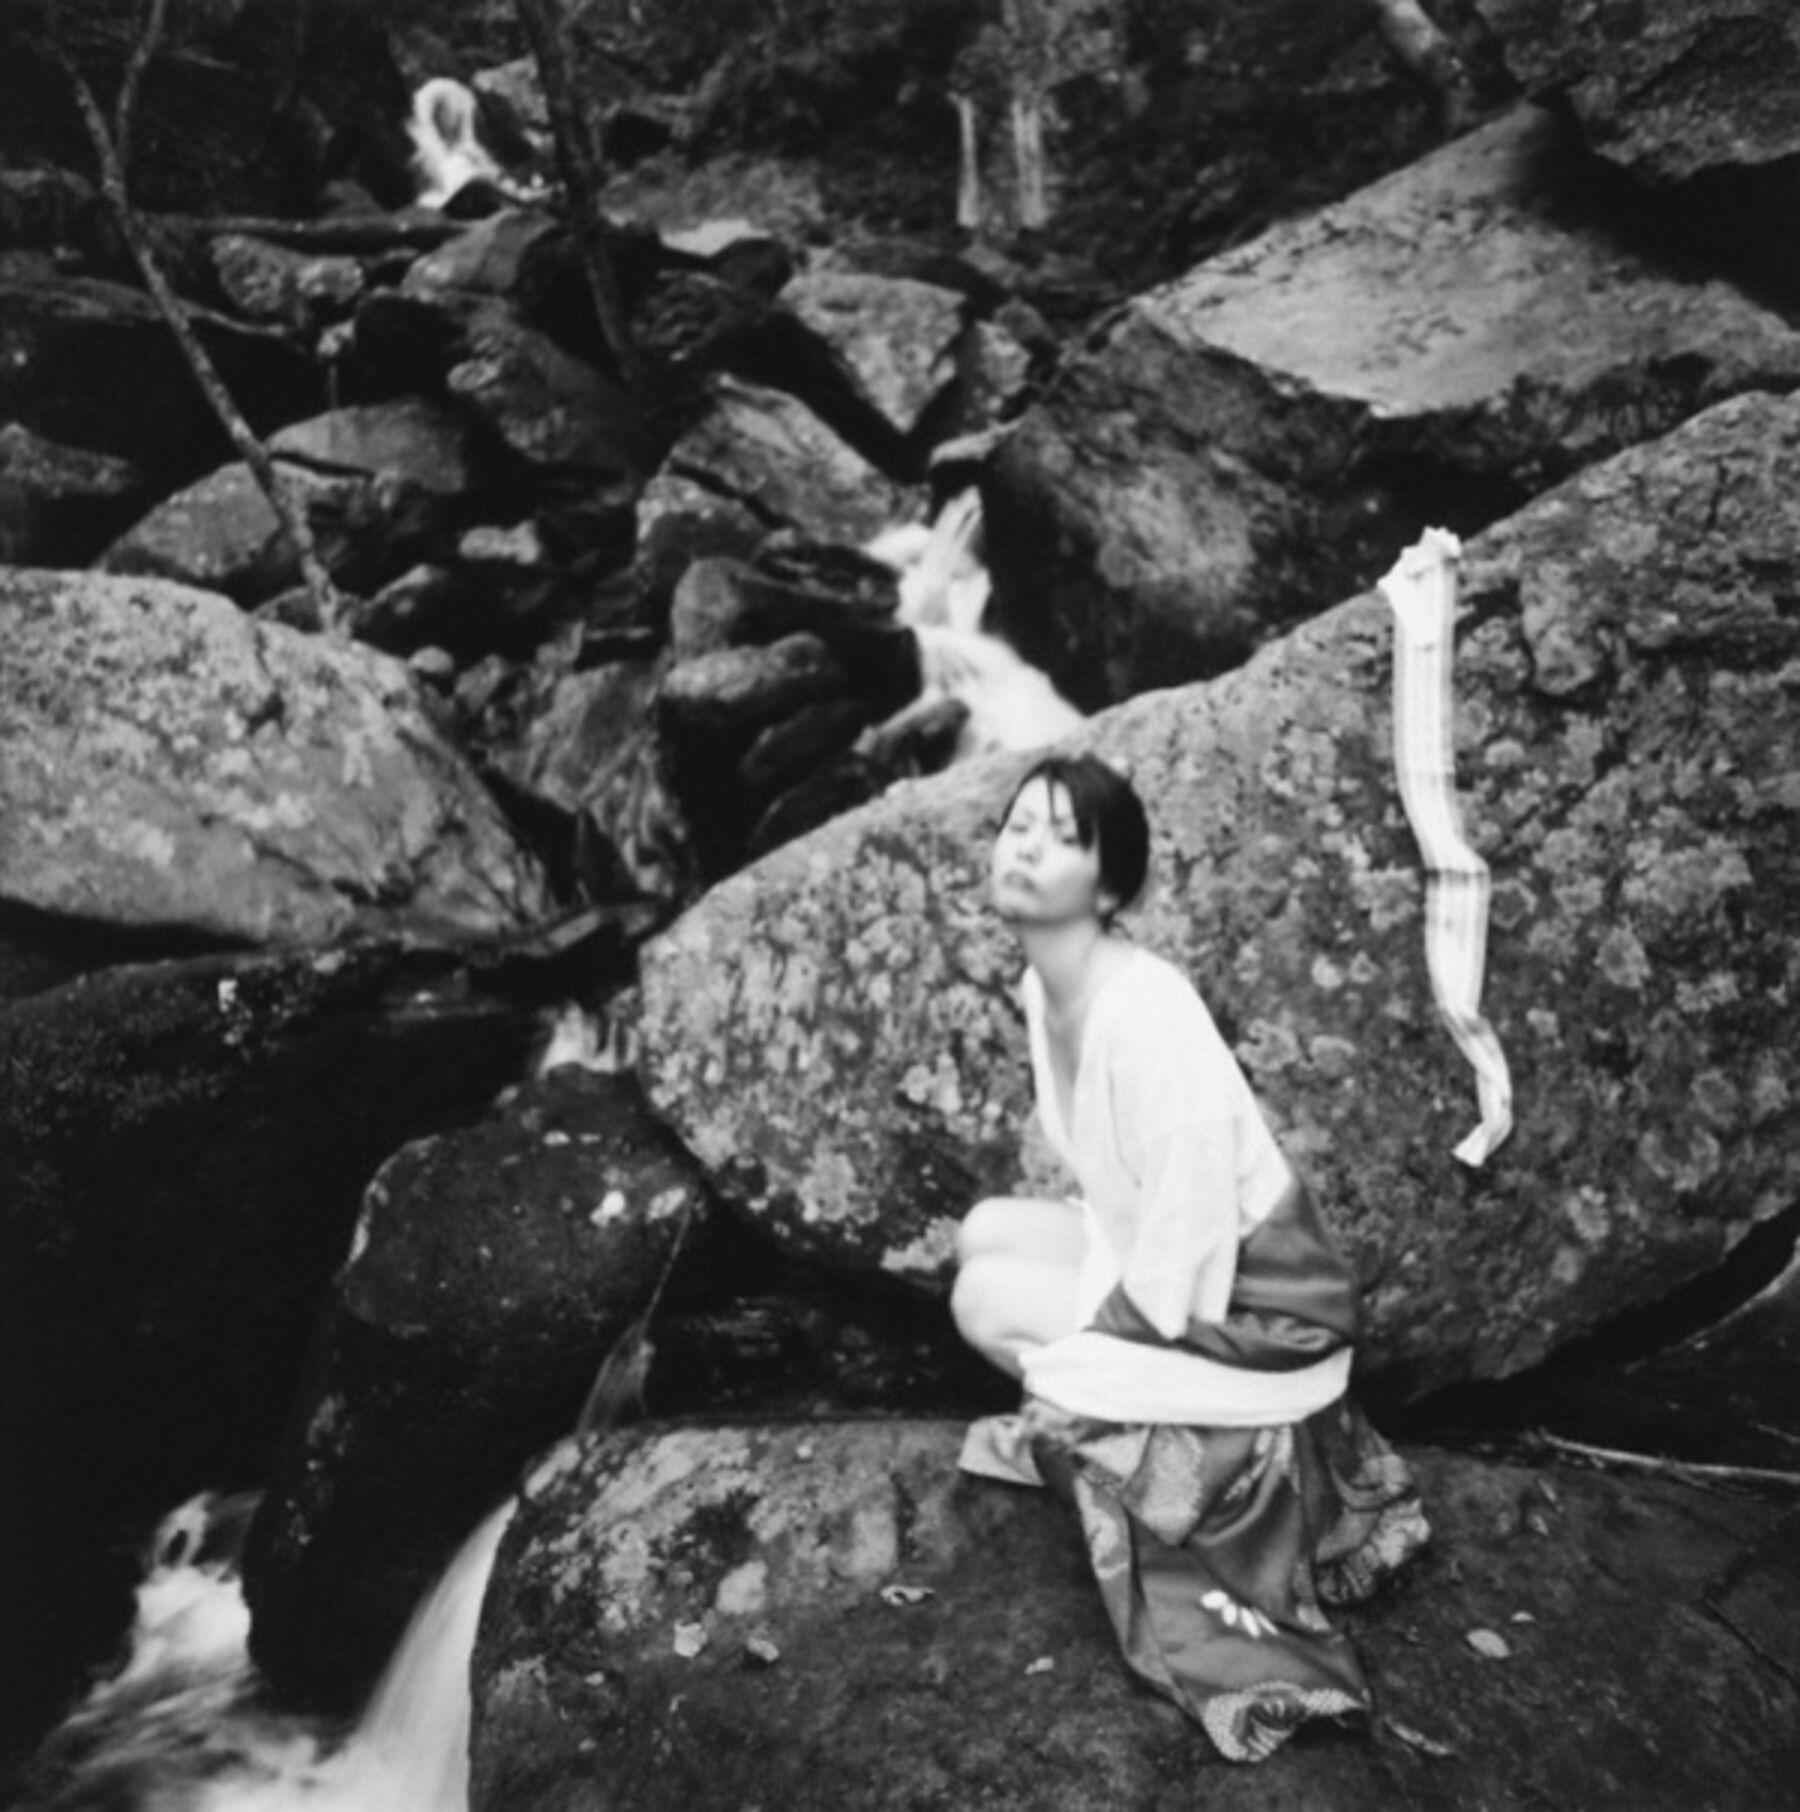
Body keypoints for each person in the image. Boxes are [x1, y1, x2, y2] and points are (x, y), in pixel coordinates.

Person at [952, 752, 1429, 1763]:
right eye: (1018, 826)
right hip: (1159, 1260)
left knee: (987, 1302)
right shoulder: (1046, 987)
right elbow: (1125, 1200)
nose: (1025, 849)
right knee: (982, 1232)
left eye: (1063, 838)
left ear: (1110, 888)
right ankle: (1108, 1422)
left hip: (1253, 1309)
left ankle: (1155, 1459)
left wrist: (1091, 1357)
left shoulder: (1145, 1011)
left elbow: (1193, 1235)